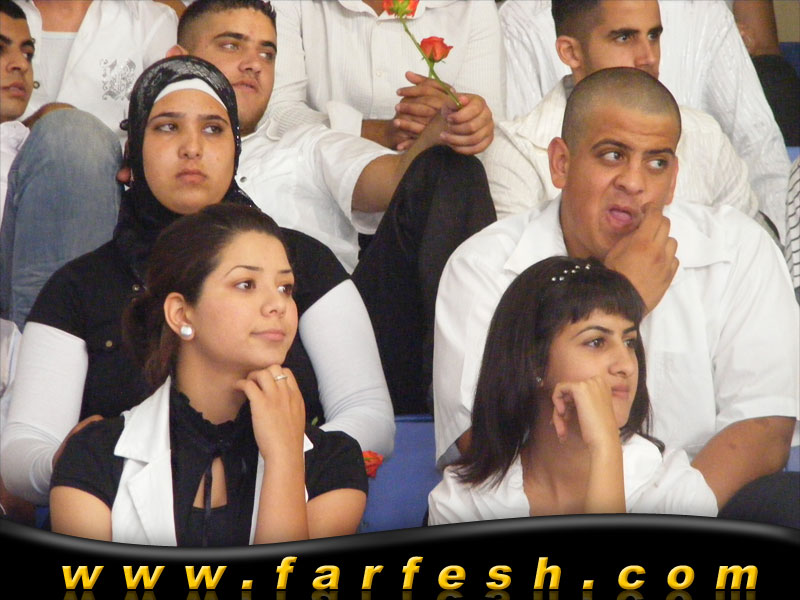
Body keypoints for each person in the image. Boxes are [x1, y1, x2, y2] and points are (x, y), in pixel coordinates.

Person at [1, 55, 394, 507]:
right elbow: (22, 451)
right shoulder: (79, 285)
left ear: (236, 149)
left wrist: (292, 463)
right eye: (168, 127)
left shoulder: (302, 262)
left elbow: (368, 412)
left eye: (213, 129)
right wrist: (84, 465)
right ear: (134, 151)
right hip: (120, 516)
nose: (192, 147)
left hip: (293, 505)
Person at [433, 67, 799, 526]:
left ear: (674, 177)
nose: (634, 182)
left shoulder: (738, 247)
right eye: (612, 155)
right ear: (561, 163)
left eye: (657, 163)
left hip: (698, 510)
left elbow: (765, 428)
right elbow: (481, 442)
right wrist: (621, 300)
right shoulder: (484, 265)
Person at [168, 0, 497, 413]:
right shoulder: (146, 155)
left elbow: (398, 179)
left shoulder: (307, 143)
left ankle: (474, 408)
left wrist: (444, 127)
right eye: (232, 46)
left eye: (267, 54)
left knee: (452, 170)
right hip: (200, 348)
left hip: (338, 346)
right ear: (177, 59)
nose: (253, 64)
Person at [49, 202, 368, 545]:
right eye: (246, 284)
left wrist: (285, 460)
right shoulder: (94, 456)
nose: (278, 305)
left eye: (285, 288)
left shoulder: (333, 461)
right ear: (181, 314)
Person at [428, 257, 718, 524]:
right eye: (596, 342)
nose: (626, 365)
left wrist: (606, 450)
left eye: (629, 342)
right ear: (534, 362)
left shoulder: (676, 492)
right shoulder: (463, 502)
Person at [498, 0, 790, 243]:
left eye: (653, 36)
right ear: (571, 52)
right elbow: (517, 285)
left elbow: (757, 257)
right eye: (624, 38)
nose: (648, 57)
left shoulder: (705, 135)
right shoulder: (517, 150)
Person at [0, 0, 178, 329]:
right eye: (1, 50)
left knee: (72, 137)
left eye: (29, 54)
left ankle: (51, 342)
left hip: (96, 221)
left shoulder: (145, 19)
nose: (21, 65)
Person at [268, 0, 504, 150]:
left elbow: (489, 136)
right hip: (308, 196)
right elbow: (270, 116)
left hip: (434, 198)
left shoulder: (472, 6)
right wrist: (382, 133)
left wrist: (465, 124)